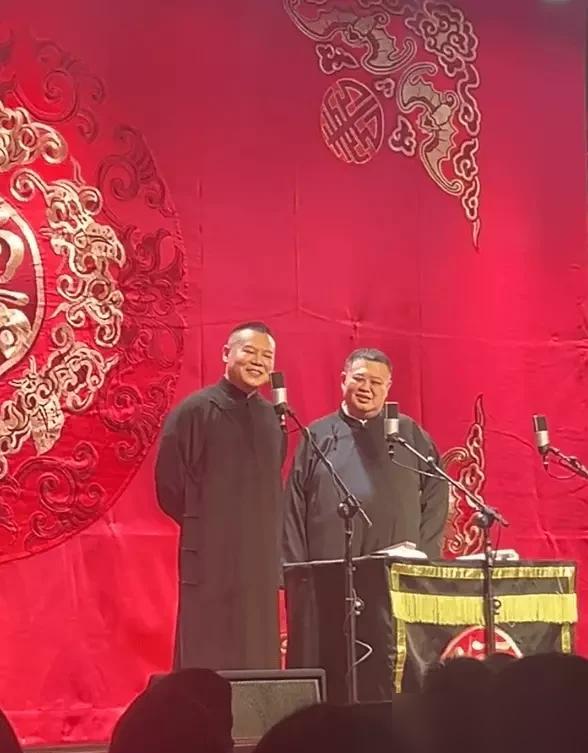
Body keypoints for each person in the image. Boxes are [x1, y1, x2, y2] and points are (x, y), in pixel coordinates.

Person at [155, 322, 284, 670]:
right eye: (249, 351)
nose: (258, 361)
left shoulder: (272, 419)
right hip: (210, 556)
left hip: (258, 561)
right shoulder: (195, 411)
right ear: (226, 353)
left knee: (257, 654)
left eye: (266, 356)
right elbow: (169, 486)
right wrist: (208, 520)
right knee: (206, 654)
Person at [283, 348, 448, 562]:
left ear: (387, 388)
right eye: (359, 379)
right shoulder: (317, 434)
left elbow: (437, 488)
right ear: (343, 380)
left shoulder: (407, 432)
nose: (366, 388)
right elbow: (294, 505)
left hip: (396, 566)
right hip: (330, 565)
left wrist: (425, 554)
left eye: (376, 382)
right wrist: (297, 569)